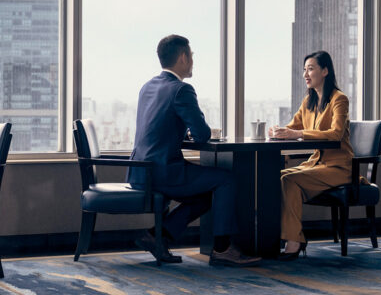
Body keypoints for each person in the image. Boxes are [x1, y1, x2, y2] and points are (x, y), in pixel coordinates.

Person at [128, 35, 260, 267]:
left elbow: (160, 125)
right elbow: (202, 134)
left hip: (140, 171)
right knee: (225, 180)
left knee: (206, 195)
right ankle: (222, 249)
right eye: (191, 56)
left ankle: (157, 236)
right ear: (182, 57)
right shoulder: (181, 90)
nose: (192, 62)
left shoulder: (147, 87)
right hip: (163, 171)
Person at [268, 50, 354, 260]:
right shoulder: (308, 102)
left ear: (325, 71)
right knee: (274, 177)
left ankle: (294, 241)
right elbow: (291, 128)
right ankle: (279, 237)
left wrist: (297, 133)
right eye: (304, 70)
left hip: (339, 167)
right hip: (316, 164)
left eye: (311, 69)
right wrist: (278, 132)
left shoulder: (338, 99)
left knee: (288, 179)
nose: (306, 74)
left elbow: (336, 134)